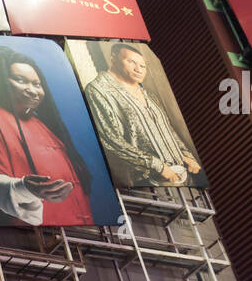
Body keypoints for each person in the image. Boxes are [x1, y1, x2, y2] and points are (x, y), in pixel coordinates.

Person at [0, 45, 95, 225]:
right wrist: (24, 187)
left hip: (78, 227)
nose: (32, 90)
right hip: (32, 232)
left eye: (37, 84)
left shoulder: (41, 123)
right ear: (1, 81)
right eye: (20, 80)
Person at [84, 43, 204, 188]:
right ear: (113, 59)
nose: (138, 69)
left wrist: (186, 155)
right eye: (131, 62)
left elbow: (168, 130)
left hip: (182, 176)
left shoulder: (149, 95)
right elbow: (111, 140)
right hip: (144, 183)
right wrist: (157, 166)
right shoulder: (98, 90)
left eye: (142, 66)